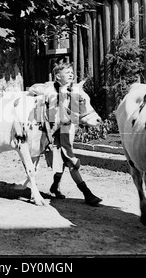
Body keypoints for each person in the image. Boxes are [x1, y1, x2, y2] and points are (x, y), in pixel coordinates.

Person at [44, 62, 102, 206]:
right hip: (55, 132)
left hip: (67, 130)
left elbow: (76, 116)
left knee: (61, 163)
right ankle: (87, 194)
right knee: (70, 162)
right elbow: (52, 116)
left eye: (72, 72)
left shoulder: (72, 91)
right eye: (67, 72)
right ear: (58, 76)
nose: (71, 74)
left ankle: (54, 186)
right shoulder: (52, 92)